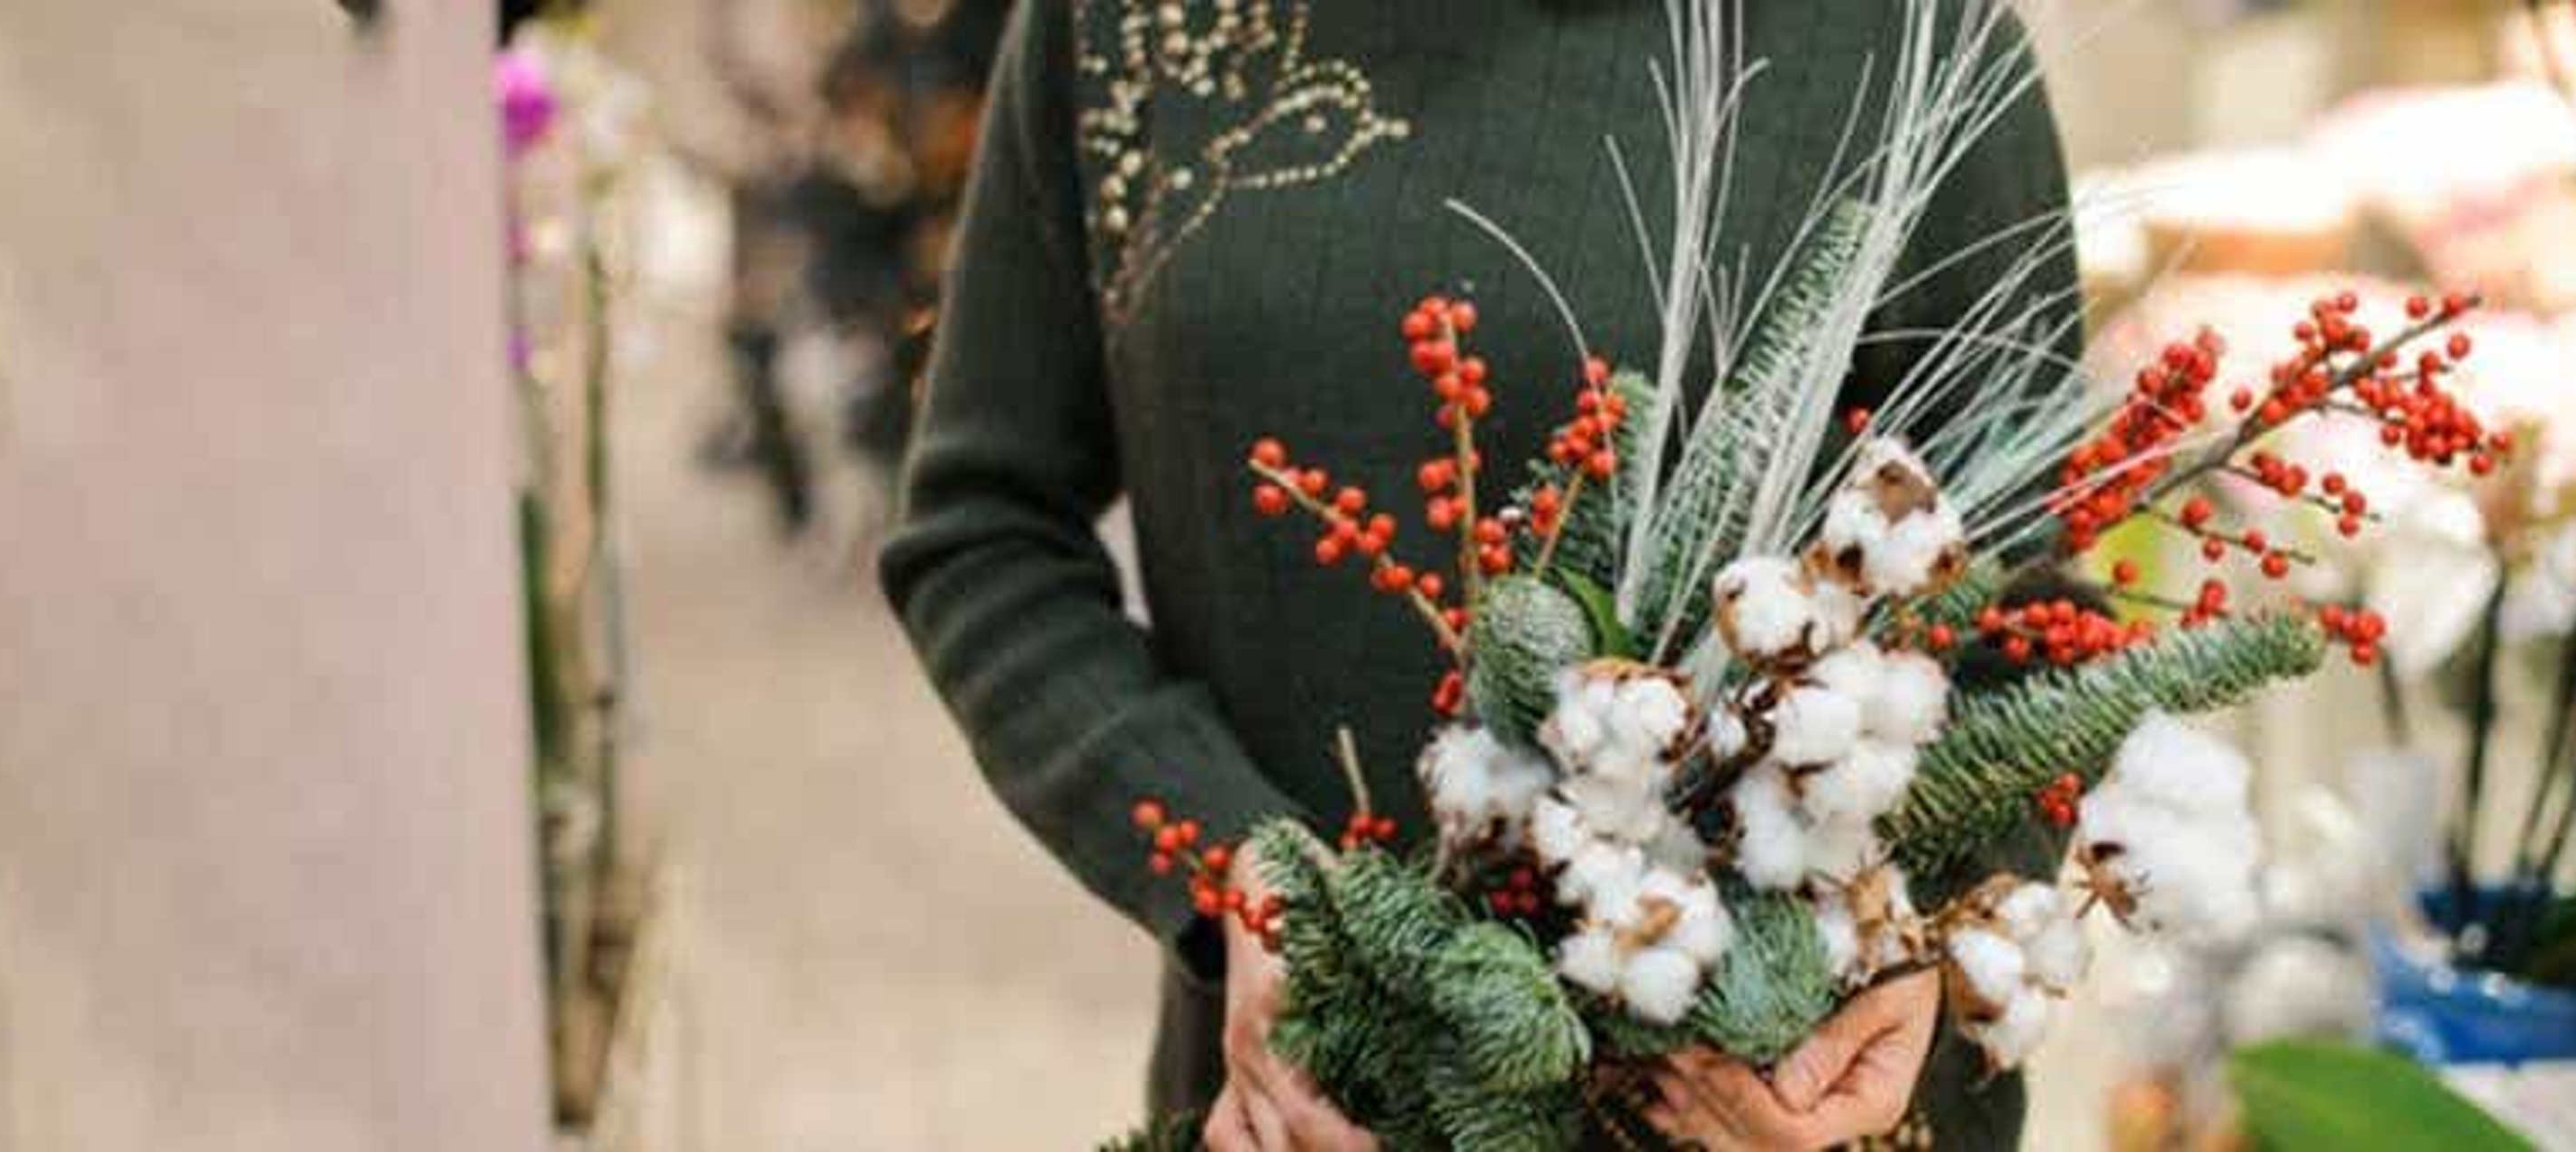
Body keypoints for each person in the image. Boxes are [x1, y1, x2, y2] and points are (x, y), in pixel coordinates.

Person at [881, 1, 2075, 1147]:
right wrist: (1232, 861)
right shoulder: (1124, 32)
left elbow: (2033, 615)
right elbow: (982, 526)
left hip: (1757, 1104)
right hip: (1304, 1111)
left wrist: (1917, 934)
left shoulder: (1904, 40)